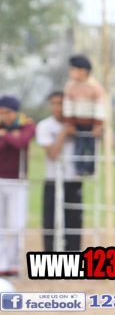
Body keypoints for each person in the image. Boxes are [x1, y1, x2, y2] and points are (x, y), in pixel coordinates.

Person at [36, 91, 84, 252]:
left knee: (74, 224)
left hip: (74, 179)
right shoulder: (44, 126)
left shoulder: (79, 125)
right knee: (50, 223)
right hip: (52, 180)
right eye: (54, 103)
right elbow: (52, 154)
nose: (57, 107)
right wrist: (63, 133)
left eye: (61, 103)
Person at [0, 96, 35, 277]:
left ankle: (14, 264)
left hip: (18, 180)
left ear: (16, 111)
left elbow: (22, 143)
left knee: (16, 224)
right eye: (1, 112)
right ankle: (2, 264)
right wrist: (11, 138)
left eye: (7, 112)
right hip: (0, 179)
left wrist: (5, 135)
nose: (4, 116)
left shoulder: (27, 124)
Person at [62, 55, 106, 176]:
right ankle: (79, 169)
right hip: (77, 125)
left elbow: (99, 107)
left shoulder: (95, 87)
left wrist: (98, 126)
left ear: (83, 71)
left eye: (72, 69)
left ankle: (92, 169)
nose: (70, 72)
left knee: (92, 147)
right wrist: (69, 124)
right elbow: (68, 106)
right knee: (79, 147)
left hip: (92, 125)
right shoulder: (70, 86)